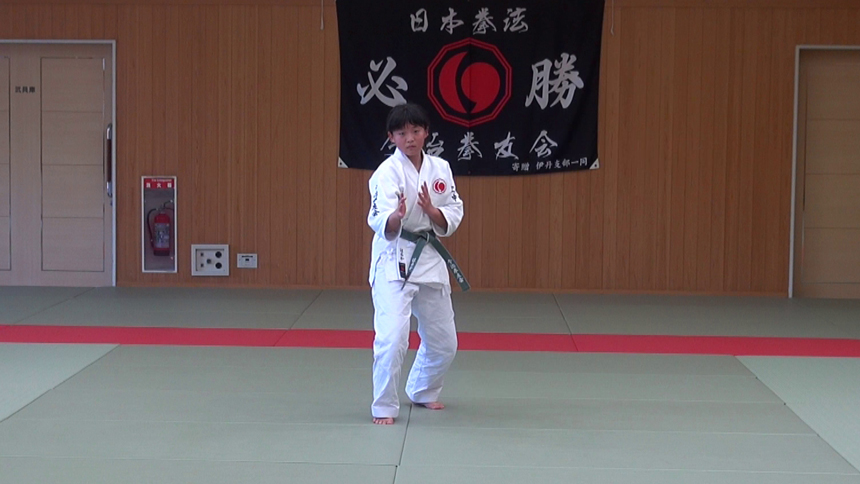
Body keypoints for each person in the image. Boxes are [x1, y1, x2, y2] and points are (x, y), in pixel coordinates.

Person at [366, 102, 466, 425]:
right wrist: (396, 217)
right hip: (394, 258)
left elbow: (453, 210)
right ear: (391, 137)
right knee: (393, 338)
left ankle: (423, 389)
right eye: (401, 133)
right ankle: (384, 405)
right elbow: (380, 218)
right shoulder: (386, 173)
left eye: (415, 131)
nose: (409, 138)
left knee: (445, 342)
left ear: (426, 133)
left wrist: (432, 211)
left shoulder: (441, 169)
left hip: (429, 257)